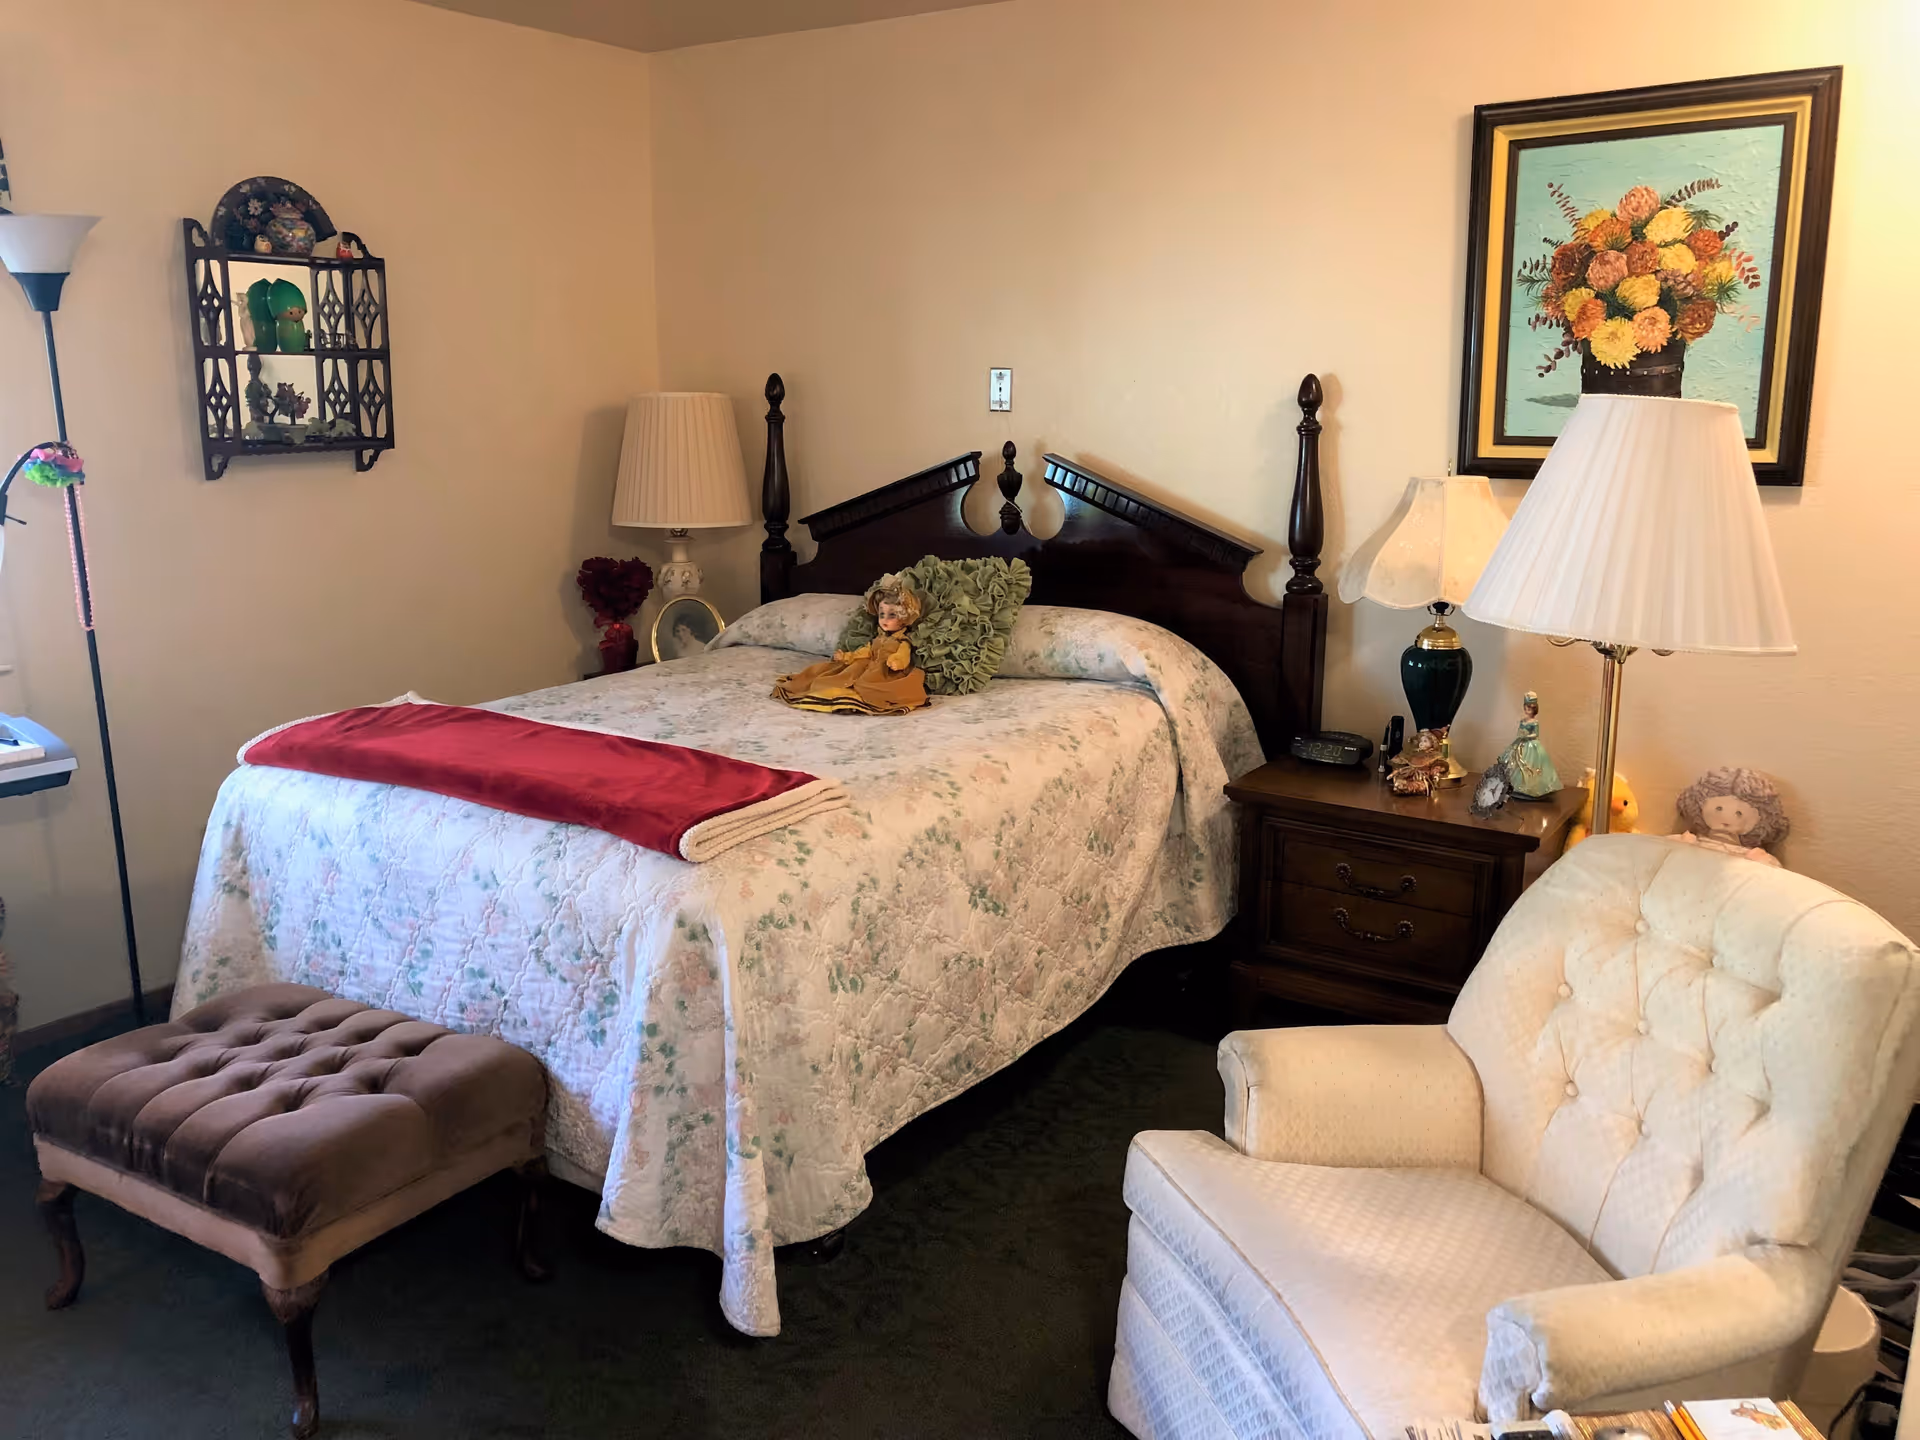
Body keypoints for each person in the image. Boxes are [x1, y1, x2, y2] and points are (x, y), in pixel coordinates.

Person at [772, 574, 930, 715]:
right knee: (835, 676)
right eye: (882, 614)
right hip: (866, 667)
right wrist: (847, 656)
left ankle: (853, 699)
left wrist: (897, 661)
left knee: (871, 688)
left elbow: (903, 654)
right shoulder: (878, 638)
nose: (884, 620)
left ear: (904, 618)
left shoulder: (902, 641)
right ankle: (838, 696)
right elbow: (865, 652)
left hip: (887, 672)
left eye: (892, 615)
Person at [1500, 691, 1561, 798]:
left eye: (1529, 708)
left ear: (1534, 709)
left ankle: (1531, 788)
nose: (1527, 710)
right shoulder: (1522, 721)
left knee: (1531, 765)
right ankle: (1511, 785)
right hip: (1520, 743)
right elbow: (1519, 731)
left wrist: (1527, 736)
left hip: (1531, 745)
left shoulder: (1534, 722)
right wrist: (1521, 735)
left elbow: (1535, 734)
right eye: (1526, 708)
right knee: (1513, 761)